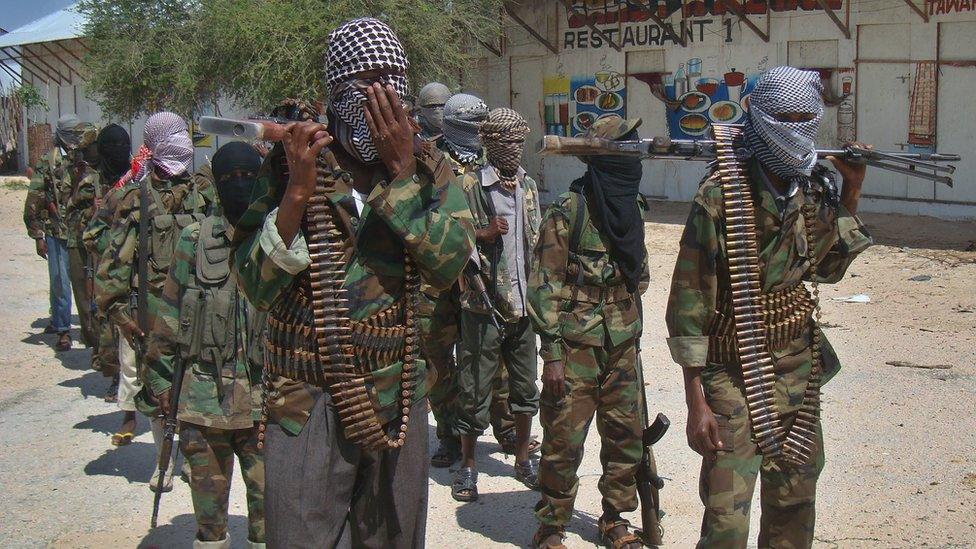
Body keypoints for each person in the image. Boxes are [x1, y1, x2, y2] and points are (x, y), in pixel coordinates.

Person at [232, 17, 475, 547]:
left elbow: (451, 262)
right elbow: (254, 284)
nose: (380, 100)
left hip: (396, 394)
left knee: (393, 535)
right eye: (365, 84)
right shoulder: (293, 163)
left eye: (392, 85)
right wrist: (296, 193)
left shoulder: (429, 170)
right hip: (306, 395)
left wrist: (403, 176)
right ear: (335, 89)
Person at [665, 66, 872, 549]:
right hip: (734, 371)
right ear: (760, 118)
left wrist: (853, 191)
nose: (796, 130)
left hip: (800, 367)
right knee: (727, 517)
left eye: (806, 118)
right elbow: (689, 303)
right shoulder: (721, 195)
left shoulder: (813, 187)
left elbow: (826, 270)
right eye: (785, 118)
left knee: (795, 504)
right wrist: (695, 398)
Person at [528, 115, 650, 549]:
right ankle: (552, 525)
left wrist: (629, 329)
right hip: (575, 346)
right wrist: (553, 355)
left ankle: (615, 519)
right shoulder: (568, 211)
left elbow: (641, 276)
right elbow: (544, 287)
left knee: (625, 437)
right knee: (563, 439)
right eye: (627, 149)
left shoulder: (631, 209)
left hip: (621, 345)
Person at [146, 142, 266, 549]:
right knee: (209, 523)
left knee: (269, 519)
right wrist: (161, 385)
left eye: (248, 177)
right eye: (229, 178)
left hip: (265, 405)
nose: (239, 185)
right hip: (202, 401)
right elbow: (168, 315)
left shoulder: (279, 236)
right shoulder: (194, 239)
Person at [95, 112, 204, 488]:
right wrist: (123, 318)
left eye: (182, 134)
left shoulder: (203, 191)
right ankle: (163, 461)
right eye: (172, 135)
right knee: (158, 390)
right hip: (153, 314)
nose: (181, 142)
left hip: (199, 310)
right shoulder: (133, 196)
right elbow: (111, 260)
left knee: (195, 386)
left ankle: (192, 459)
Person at [422, 92, 525, 468]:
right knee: (438, 360)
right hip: (437, 279)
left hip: (484, 276)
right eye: (471, 126)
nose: (479, 133)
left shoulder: (492, 156)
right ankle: (449, 434)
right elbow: (416, 219)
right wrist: (476, 234)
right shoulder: (427, 160)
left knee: (490, 352)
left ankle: (507, 427)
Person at [452, 107, 540, 502]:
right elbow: (449, 241)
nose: (513, 149)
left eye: (518, 141)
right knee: (474, 388)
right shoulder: (469, 184)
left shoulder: (528, 186)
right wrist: (482, 233)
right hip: (483, 306)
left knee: (525, 388)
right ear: (488, 142)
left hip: (523, 306)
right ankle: (468, 467)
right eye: (505, 141)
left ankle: (522, 460)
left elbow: (534, 244)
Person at [24, 114, 89, 351]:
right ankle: (63, 329)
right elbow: (35, 199)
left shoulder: (87, 158)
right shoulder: (48, 162)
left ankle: (87, 326)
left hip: (83, 231)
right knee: (60, 281)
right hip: (57, 231)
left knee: (85, 281)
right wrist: (38, 235)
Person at [83, 124, 132, 400]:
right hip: (104, 261)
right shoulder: (92, 180)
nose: (118, 152)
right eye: (112, 147)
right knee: (107, 321)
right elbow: (86, 229)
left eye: (122, 146)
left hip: (133, 260)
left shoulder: (136, 176)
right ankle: (115, 376)